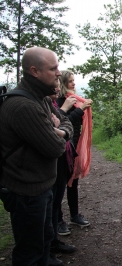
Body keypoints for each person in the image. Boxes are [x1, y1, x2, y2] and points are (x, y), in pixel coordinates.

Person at [0, 47, 73, 265]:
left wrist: (60, 130)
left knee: (44, 237)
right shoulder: (24, 105)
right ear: (34, 71)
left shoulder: (39, 98)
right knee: (29, 250)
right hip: (26, 190)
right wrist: (59, 134)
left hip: (42, 186)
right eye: (53, 68)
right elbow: (56, 148)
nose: (59, 73)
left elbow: (65, 121)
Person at [57, 70, 93, 231]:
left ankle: (74, 215)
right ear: (63, 83)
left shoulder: (75, 100)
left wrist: (84, 108)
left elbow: (78, 122)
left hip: (76, 144)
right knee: (60, 183)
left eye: (74, 80)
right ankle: (58, 221)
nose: (73, 83)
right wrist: (81, 109)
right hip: (64, 146)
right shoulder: (60, 101)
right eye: (70, 81)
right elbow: (63, 122)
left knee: (74, 180)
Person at [49, 86, 78, 263]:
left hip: (63, 156)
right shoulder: (42, 104)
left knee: (55, 201)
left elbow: (67, 125)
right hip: (51, 160)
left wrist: (62, 128)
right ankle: (46, 250)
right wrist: (64, 110)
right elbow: (52, 135)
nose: (57, 85)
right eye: (55, 78)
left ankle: (53, 242)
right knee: (50, 204)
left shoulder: (50, 104)